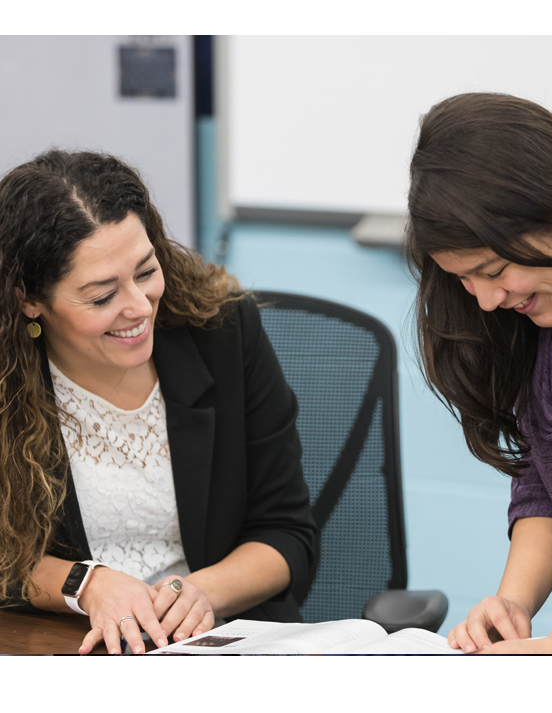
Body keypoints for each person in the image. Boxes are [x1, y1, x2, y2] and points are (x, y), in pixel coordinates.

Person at [0, 150, 316, 655]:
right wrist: (87, 585)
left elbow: (287, 533)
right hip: (62, 646)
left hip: (217, 642)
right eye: (102, 296)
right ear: (28, 301)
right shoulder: (8, 379)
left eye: (145, 272)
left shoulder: (224, 332)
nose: (138, 306)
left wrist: (199, 592)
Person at [406, 93, 552, 654]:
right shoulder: (544, 310)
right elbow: (548, 477)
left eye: (493, 270)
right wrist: (511, 607)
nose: (486, 300)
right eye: (466, 280)